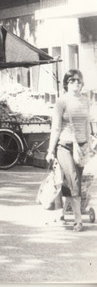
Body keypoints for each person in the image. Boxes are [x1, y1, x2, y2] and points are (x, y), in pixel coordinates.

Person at [46, 69, 94, 232]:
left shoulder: (86, 101)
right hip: (64, 146)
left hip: (80, 147)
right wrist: (50, 150)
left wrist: (89, 145)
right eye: (71, 80)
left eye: (78, 81)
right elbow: (56, 127)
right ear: (66, 83)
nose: (75, 83)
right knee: (74, 180)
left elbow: (87, 125)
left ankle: (61, 212)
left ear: (82, 84)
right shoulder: (62, 101)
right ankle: (78, 220)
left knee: (73, 180)